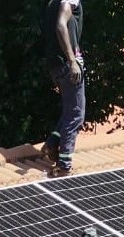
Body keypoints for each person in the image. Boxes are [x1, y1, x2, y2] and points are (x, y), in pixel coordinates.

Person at [41, 0, 85, 177]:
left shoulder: (51, 3)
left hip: (56, 66)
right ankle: (64, 164)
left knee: (69, 110)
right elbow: (61, 25)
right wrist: (72, 61)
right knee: (76, 114)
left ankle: (52, 142)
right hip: (67, 65)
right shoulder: (68, 1)